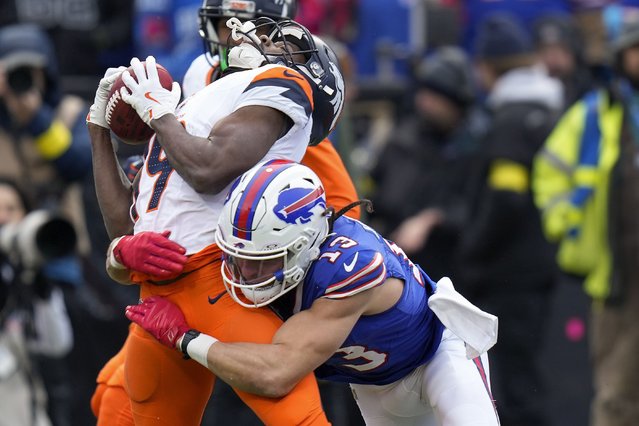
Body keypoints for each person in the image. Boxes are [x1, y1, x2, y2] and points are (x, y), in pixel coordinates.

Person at [87, 18, 346, 425]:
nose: (264, 40)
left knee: (302, 419)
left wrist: (158, 114)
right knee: (112, 408)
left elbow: (208, 172)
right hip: (154, 298)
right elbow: (124, 229)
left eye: (286, 46)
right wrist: (99, 132)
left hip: (217, 280)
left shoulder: (285, 83)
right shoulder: (201, 103)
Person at [126, 160, 500, 425]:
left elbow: (276, 373)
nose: (247, 273)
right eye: (239, 257)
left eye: (265, 260)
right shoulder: (254, 251)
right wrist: (120, 252)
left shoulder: (351, 267)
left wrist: (187, 339)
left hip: (436, 356)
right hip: (374, 386)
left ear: (304, 245)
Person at [532, 16, 639, 426]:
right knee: (617, 393)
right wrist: (567, 222)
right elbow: (549, 169)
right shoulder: (597, 113)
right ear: (620, 56)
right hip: (620, 280)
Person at [459, 12, 562, 426]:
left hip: (511, 274)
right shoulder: (549, 108)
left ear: (488, 68)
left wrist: (472, 250)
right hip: (540, 264)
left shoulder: (510, 123)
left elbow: (506, 198)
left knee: (515, 386)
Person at [369, 45, 480, 282]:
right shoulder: (404, 138)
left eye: (435, 96)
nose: (425, 102)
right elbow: (377, 190)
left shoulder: (471, 149)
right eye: (424, 93)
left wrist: (431, 218)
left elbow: (474, 209)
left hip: (448, 270)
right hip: (393, 262)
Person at [0, 177, 74, 426]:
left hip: (27, 406)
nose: (3, 218)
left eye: (11, 209)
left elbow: (57, 344)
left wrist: (40, 288)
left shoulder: (26, 274)